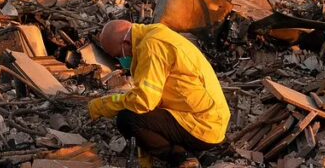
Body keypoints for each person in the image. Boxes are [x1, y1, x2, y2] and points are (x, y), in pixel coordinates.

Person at [88, 20, 229, 168]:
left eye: (119, 55)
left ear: (126, 43)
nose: (121, 60)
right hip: (210, 119)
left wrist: (106, 105)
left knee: (127, 119)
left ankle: (181, 158)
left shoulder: (151, 47)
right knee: (139, 115)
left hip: (203, 126)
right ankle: (191, 151)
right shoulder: (156, 34)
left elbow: (144, 101)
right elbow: (153, 96)